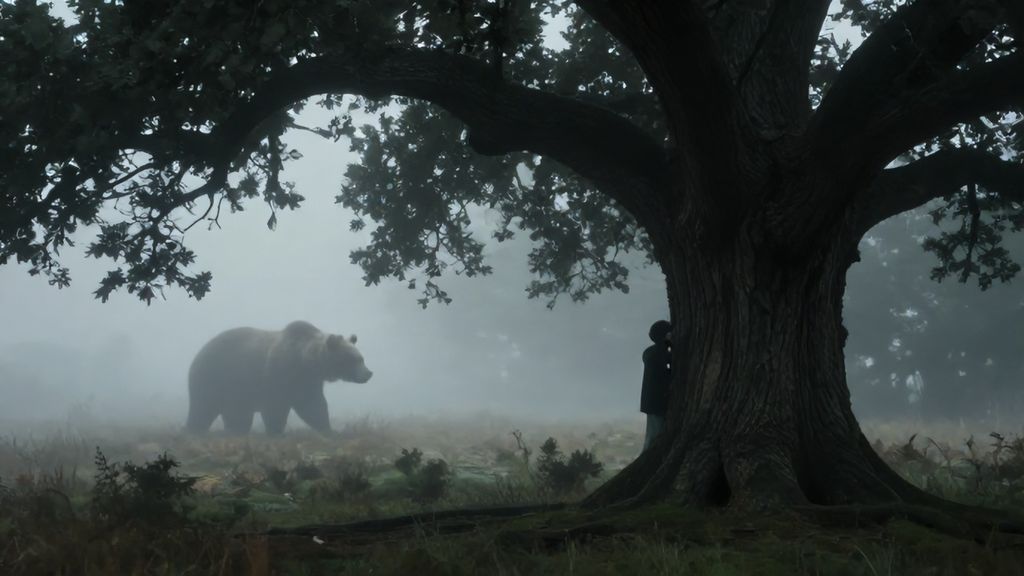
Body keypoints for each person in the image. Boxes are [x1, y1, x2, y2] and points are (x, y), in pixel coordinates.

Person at [640, 320, 672, 451]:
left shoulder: (652, 352)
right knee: (654, 438)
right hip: (657, 403)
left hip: (653, 402)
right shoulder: (660, 353)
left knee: (653, 436)